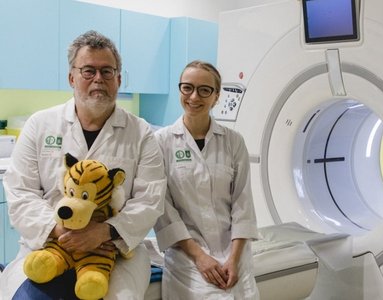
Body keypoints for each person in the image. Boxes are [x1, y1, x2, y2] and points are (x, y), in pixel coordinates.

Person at [0, 30, 166, 300]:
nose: (98, 79)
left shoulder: (140, 132)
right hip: (50, 245)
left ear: (119, 79)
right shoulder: (40, 125)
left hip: (114, 251)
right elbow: (21, 191)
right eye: (88, 71)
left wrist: (103, 232)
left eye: (107, 71)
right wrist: (61, 231)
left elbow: (150, 199)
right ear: (71, 77)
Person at [154, 60, 260, 299]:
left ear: (216, 96)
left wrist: (233, 260)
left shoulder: (233, 142)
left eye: (204, 90)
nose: (194, 96)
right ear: (180, 90)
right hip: (187, 253)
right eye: (187, 87)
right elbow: (164, 209)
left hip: (234, 251)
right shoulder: (161, 142)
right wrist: (200, 257)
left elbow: (243, 205)